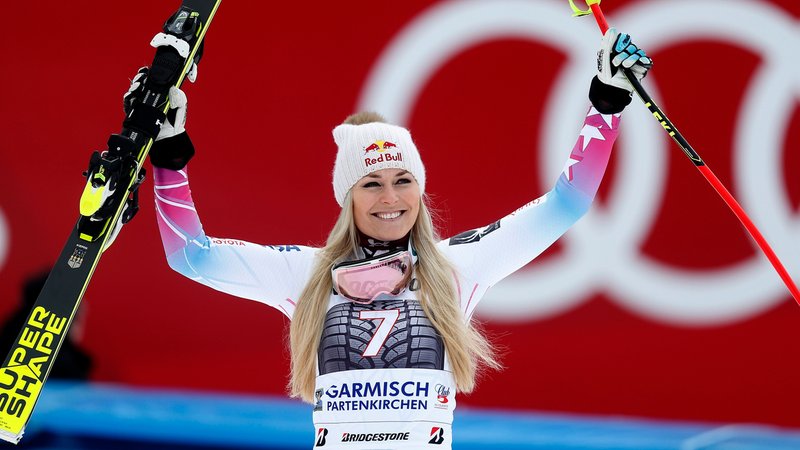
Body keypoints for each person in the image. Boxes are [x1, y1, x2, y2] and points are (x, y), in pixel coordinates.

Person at [128, 28, 651, 449]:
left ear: (420, 189)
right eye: (371, 183)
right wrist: (169, 156)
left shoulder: (456, 266)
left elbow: (566, 203)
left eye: (403, 181)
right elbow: (191, 257)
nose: (390, 198)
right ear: (348, 197)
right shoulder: (307, 274)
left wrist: (606, 105)